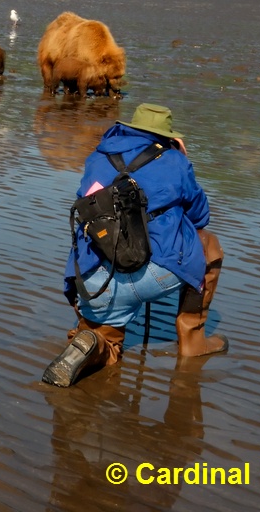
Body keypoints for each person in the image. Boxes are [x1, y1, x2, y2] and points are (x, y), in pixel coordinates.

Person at [43, 103, 228, 387]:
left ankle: (90, 342)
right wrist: (181, 160)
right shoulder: (175, 161)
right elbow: (200, 216)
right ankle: (193, 342)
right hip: (155, 274)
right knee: (209, 245)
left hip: (93, 279)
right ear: (167, 136)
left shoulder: (97, 156)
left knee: (107, 344)